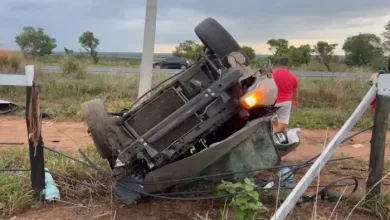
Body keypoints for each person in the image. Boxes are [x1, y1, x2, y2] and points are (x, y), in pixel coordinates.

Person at [272, 58, 299, 132]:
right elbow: (295, 90)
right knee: (283, 120)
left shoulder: (272, 75)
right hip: (286, 102)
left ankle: (269, 134)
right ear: (287, 65)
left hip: (273, 102)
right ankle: (278, 135)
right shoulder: (292, 76)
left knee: (268, 119)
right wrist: (295, 102)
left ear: (278, 65)